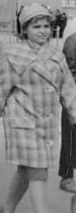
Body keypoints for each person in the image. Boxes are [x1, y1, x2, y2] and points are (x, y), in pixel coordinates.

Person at [0, 4, 76, 213]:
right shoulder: (13, 55)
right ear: (25, 29)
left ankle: (7, 208)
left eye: (46, 26)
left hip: (46, 124)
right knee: (38, 171)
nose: (42, 31)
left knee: (27, 169)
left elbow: (68, 88)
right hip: (22, 123)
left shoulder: (56, 56)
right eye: (36, 27)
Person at [57, 26, 76, 193]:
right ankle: (67, 175)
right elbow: (68, 73)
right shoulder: (72, 41)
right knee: (70, 135)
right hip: (73, 97)